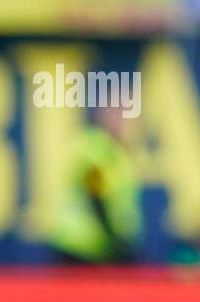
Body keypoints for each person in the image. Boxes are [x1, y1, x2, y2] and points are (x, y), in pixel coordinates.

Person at [47, 103, 143, 266]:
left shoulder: (115, 150)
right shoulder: (97, 147)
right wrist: (115, 239)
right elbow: (94, 193)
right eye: (118, 115)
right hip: (82, 245)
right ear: (104, 116)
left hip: (94, 244)